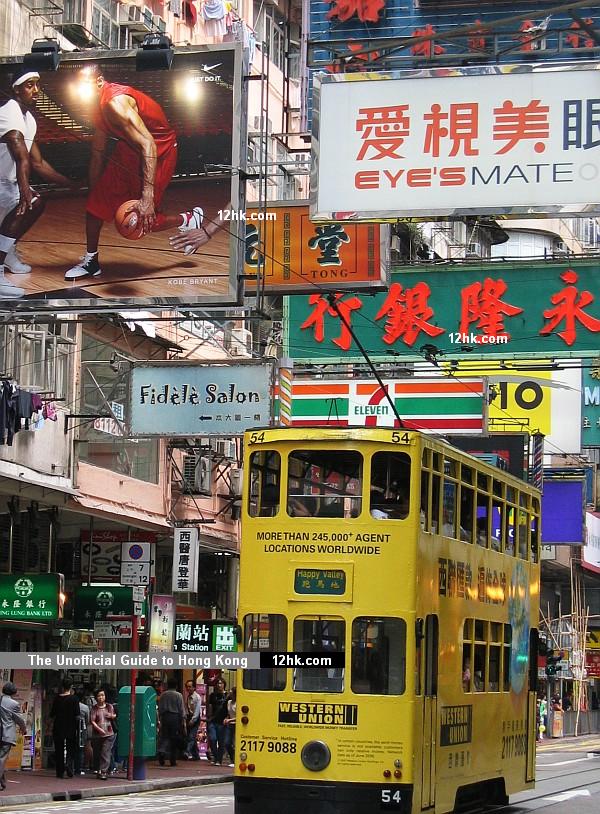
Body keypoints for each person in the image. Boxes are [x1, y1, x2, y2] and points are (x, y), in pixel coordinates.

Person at [64, 66, 205, 281]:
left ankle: (188, 218)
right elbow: (98, 152)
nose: (79, 90)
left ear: (100, 81)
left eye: (84, 84)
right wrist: (96, 193)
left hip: (160, 149)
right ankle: (91, 262)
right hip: (129, 149)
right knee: (94, 208)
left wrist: (147, 197)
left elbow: (149, 144)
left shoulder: (115, 102)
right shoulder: (95, 106)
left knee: (143, 220)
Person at [0, 65, 76, 297]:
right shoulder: (8, 112)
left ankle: (8, 253)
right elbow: (21, 157)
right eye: (29, 85)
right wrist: (25, 191)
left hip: (6, 183)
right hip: (2, 182)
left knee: (32, 203)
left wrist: (71, 184)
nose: (35, 90)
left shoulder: (29, 119)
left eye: (37, 85)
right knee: (31, 202)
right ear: (17, 90)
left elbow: (38, 163)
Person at [50, 678, 80, 779]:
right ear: (71, 687)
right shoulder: (74, 699)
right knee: (71, 748)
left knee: (59, 749)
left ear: (62, 687)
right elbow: (77, 714)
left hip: (58, 727)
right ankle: (69, 765)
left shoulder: (57, 699)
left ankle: (60, 771)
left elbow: (52, 714)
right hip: (71, 727)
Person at [0, 682, 26, 791]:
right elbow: (19, 719)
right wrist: (24, 729)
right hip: (6, 734)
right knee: (1, 758)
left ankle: (2, 782)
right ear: (13, 692)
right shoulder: (13, 704)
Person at [157, 678, 185, 767]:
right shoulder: (178, 695)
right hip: (175, 717)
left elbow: (160, 708)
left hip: (165, 717)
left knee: (164, 736)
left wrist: (160, 719)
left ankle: (162, 750)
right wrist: (183, 720)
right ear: (176, 686)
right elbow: (181, 708)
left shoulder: (163, 695)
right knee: (174, 738)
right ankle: (172, 760)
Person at [90, 688, 116, 780]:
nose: (101, 697)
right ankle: (98, 770)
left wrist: (112, 716)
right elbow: (92, 721)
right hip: (97, 734)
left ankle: (103, 772)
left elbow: (114, 714)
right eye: (99, 695)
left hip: (109, 733)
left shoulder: (109, 706)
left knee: (105, 752)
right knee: (97, 753)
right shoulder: (94, 708)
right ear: (96, 697)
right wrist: (99, 729)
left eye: (103, 695)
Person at [206, 677, 228, 766]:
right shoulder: (212, 695)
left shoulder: (227, 696)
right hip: (213, 721)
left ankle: (219, 759)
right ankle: (215, 756)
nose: (219, 685)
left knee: (221, 741)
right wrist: (208, 717)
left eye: (221, 683)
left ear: (224, 685)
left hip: (222, 722)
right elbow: (210, 707)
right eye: (218, 683)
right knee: (212, 739)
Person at [184, 679, 201, 761]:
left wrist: (193, 720)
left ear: (194, 688)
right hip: (189, 717)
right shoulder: (188, 697)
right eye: (187, 687)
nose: (188, 688)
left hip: (195, 718)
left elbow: (197, 711)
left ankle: (187, 752)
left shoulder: (197, 697)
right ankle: (196, 755)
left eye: (190, 687)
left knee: (191, 736)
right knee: (191, 737)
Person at [223, 686, 236, 766]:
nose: (230, 694)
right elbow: (229, 713)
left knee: (235, 743)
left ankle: (235, 760)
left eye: (231, 693)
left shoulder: (239, 702)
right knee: (227, 742)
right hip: (229, 725)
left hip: (236, 725)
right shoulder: (229, 702)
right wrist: (226, 718)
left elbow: (240, 716)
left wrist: (230, 720)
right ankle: (232, 758)